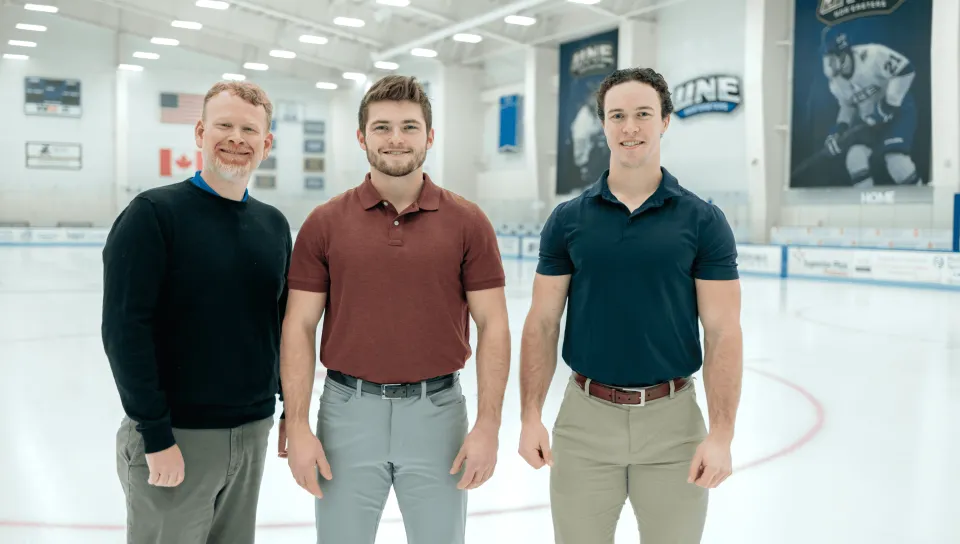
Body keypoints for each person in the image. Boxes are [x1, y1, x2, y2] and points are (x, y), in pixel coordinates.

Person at [279, 75, 511, 544]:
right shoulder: (324, 223)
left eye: (409, 126)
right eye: (382, 127)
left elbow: (494, 325)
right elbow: (299, 326)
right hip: (346, 413)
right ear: (362, 137)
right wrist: (300, 426)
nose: (396, 138)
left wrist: (488, 425)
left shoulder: (468, 223)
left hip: (438, 413)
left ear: (429, 136)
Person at [517, 67, 743, 544]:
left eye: (643, 114)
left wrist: (721, 434)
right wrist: (530, 415)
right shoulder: (568, 220)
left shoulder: (703, 221)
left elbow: (723, 330)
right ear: (604, 124)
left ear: (665, 121)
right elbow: (541, 322)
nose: (630, 127)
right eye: (617, 116)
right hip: (583, 420)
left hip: (674, 422)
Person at [101, 80, 289, 544]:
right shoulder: (153, 214)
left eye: (249, 129)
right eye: (224, 125)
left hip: (252, 431)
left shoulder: (273, 225)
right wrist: (156, 435)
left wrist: (290, 408)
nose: (236, 138)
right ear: (201, 132)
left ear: (266, 144)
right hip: (176, 435)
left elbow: (280, 325)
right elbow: (126, 331)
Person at [820, 26, 923, 186]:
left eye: (833, 58)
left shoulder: (873, 55)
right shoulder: (835, 83)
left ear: (844, 54)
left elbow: (906, 70)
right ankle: (867, 209)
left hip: (899, 111)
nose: (829, 64)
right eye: (827, 58)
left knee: (897, 163)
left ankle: (919, 207)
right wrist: (840, 130)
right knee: (855, 158)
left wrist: (889, 104)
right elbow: (848, 105)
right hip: (870, 118)